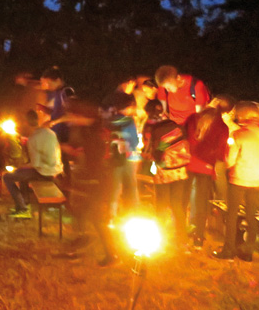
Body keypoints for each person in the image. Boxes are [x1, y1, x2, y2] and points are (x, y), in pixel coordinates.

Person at [213, 101, 259, 262]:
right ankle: (248, 252)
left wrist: (227, 160)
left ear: (243, 116)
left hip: (239, 178)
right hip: (257, 180)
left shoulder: (239, 135)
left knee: (232, 214)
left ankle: (229, 250)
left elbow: (230, 161)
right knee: (251, 214)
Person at [61, 99, 118, 266]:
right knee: (80, 213)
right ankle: (80, 245)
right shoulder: (87, 130)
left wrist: (70, 151)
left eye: (72, 115)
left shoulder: (92, 133)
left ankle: (112, 255)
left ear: (81, 115)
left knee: (96, 218)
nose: (69, 119)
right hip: (90, 179)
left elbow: (94, 159)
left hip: (96, 181)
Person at [185, 95, 234, 249]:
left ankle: (180, 233)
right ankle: (198, 237)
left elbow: (186, 139)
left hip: (188, 164)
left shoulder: (193, 118)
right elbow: (220, 153)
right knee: (201, 204)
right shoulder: (222, 127)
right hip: (205, 168)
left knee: (183, 200)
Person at [141, 99, 190, 249]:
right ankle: (182, 239)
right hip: (180, 170)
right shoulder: (174, 124)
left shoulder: (150, 127)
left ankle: (160, 239)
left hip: (164, 171)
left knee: (161, 204)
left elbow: (149, 151)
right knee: (177, 204)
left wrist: (145, 155)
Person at [3, 108, 63, 218]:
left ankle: (22, 209)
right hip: (56, 169)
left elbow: (35, 164)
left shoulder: (33, 138)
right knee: (21, 173)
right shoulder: (50, 133)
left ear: (26, 123)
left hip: (45, 173)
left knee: (8, 177)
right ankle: (25, 203)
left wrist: (20, 166)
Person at [103, 92, 139, 221]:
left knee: (115, 187)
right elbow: (134, 141)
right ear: (129, 106)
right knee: (131, 187)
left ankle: (111, 217)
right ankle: (133, 216)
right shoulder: (129, 121)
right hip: (128, 158)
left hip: (113, 158)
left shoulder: (107, 120)